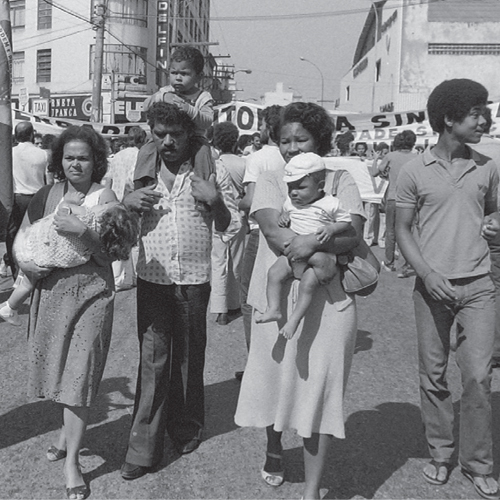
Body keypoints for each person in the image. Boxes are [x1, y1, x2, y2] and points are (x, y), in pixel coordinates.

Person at [235, 101, 366, 500]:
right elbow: (273, 233)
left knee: (320, 392)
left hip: (331, 302)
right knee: (274, 381)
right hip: (276, 295)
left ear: (320, 140)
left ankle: (312, 489)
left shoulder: (341, 179)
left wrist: (308, 244)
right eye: (285, 140)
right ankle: (274, 449)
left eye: (301, 139)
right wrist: (318, 243)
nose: (292, 147)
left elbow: (354, 233)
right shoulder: (270, 179)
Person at [120, 102, 240, 481]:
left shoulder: (209, 168)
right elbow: (118, 224)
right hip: (153, 280)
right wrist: (126, 204)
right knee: (153, 362)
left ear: (190, 134)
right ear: (151, 134)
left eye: (176, 134)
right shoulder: (139, 170)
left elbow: (229, 225)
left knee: (189, 357)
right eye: (160, 134)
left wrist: (215, 200)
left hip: (194, 280)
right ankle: (143, 448)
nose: (168, 141)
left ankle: (186, 427)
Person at [396, 79, 500, 500]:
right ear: (448, 119)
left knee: (478, 377)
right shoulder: (413, 171)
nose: (484, 120)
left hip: (479, 286)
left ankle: (478, 463)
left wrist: (494, 225)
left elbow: (492, 212)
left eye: (484, 112)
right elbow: (402, 229)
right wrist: (426, 273)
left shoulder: (488, 167)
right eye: (475, 113)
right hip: (431, 288)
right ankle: (440, 453)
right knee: (433, 375)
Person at [22, 125, 118, 500]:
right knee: (61, 373)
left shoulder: (105, 197)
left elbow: (112, 254)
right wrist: (26, 264)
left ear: (96, 162)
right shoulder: (47, 194)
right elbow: (24, 238)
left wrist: (83, 230)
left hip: (93, 295)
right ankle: (65, 434)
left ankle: (72, 463)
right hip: (52, 295)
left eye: (83, 158)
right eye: (69, 157)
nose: (75, 164)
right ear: (59, 160)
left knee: (80, 375)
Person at [0, 192, 139, 326]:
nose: (101, 204)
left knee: (28, 282)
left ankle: (10, 306)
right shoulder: (98, 235)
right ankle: (10, 307)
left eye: (105, 205)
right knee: (28, 283)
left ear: (104, 213)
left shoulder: (87, 215)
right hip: (43, 252)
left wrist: (69, 202)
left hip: (34, 244)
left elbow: (62, 210)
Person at [255, 152, 351, 339]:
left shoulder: (330, 203)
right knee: (274, 273)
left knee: (307, 286)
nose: (294, 192)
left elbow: (346, 222)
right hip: (294, 253)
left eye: (301, 187)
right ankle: (273, 308)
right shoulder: (290, 203)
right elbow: (286, 213)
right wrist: (284, 217)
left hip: (319, 254)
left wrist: (331, 228)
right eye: (290, 187)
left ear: (320, 186)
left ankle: (295, 320)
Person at [237, 104, 284, 378]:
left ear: (269, 128)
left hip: (260, 231)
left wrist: (237, 202)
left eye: (263, 125)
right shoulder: (293, 155)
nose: (260, 130)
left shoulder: (257, 158)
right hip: (289, 229)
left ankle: (256, 366)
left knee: (250, 298)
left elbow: (251, 200)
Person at [135, 46, 214, 192]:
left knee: (203, 153)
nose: (178, 78)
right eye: (174, 73)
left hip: (195, 139)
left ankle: (203, 186)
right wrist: (161, 97)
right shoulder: (165, 92)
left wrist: (189, 109)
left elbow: (207, 121)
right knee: (146, 150)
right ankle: (140, 185)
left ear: (199, 76)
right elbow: (145, 106)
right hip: (168, 135)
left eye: (184, 74)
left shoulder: (203, 97)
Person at [210, 121, 246, 325]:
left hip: (216, 216)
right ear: (235, 141)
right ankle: (234, 303)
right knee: (236, 262)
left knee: (218, 262)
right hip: (236, 215)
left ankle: (219, 308)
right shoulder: (243, 163)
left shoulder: (213, 163)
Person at [103, 126, 147, 291]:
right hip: (132, 199)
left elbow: (109, 178)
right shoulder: (140, 155)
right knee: (136, 238)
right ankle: (136, 275)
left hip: (115, 198)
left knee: (118, 237)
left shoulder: (117, 156)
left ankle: (118, 277)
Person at [4, 122, 48, 278]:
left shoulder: (10, 153)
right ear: (31, 134)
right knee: (37, 236)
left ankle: (16, 272)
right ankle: (36, 271)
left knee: (13, 236)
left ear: (16, 136)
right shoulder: (43, 154)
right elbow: (49, 181)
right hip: (39, 198)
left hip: (17, 199)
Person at [375, 130, 418, 275]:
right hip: (411, 199)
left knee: (391, 232)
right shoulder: (417, 157)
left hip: (393, 197)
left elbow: (376, 172)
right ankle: (406, 265)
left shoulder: (391, 156)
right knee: (408, 232)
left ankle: (389, 263)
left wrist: (379, 162)